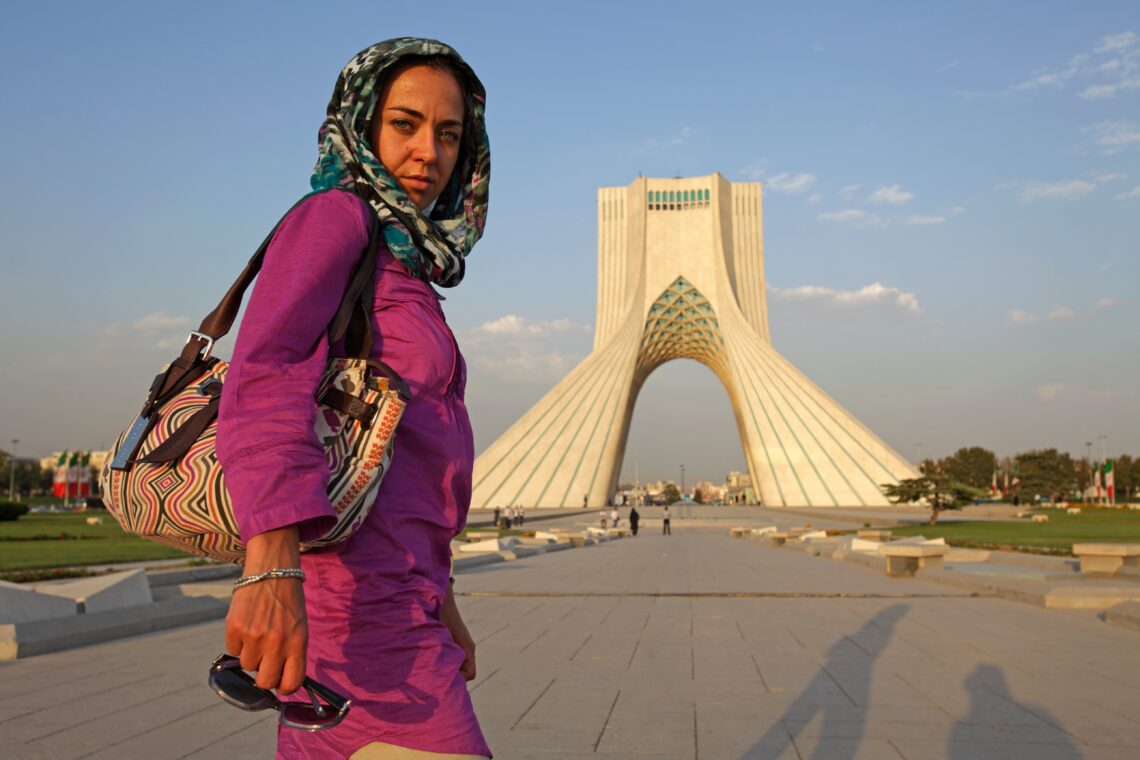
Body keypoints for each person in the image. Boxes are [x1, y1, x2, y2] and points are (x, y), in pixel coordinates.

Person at [218, 38, 492, 759]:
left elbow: (403, 466)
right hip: (361, 621)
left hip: (403, 605)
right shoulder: (337, 218)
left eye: (449, 133)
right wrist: (271, 567)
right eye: (405, 124)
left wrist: (445, 601)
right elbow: (266, 374)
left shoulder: (405, 263)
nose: (427, 153)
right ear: (362, 123)